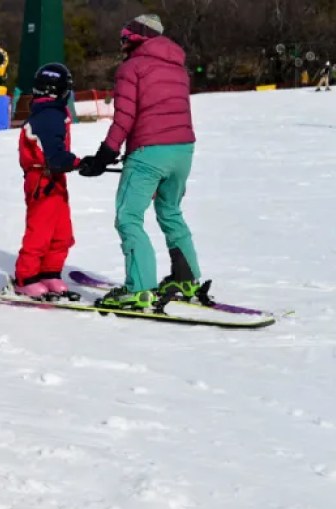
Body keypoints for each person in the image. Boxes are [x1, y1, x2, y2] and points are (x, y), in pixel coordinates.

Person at [78, 14, 203, 310]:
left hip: (149, 153)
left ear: (135, 39)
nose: (121, 45)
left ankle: (139, 288)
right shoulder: (178, 68)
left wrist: (103, 156)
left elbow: (124, 119)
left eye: (123, 39)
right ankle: (186, 278)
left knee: (128, 217)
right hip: (183, 150)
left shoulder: (132, 68)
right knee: (170, 211)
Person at [13, 63, 80, 300]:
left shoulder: (53, 112)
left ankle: (49, 273)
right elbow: (54, 154)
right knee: (40, 231)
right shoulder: (47, 115)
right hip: (42, 179)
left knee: (62, 232)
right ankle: (26, 278)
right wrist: (80, 163)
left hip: (55, 179)